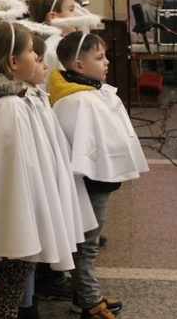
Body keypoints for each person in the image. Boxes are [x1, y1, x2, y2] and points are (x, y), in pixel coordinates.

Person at [0, 22, 78, 319]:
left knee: (15, 279)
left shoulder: (14, 98)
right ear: (13, 62)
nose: (38, 57)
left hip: (17, 212)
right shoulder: (8, 107)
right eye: (33, 52)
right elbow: (16, 176)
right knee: (12, 282)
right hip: (16, 212)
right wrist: (30, 215)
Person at [48, 31, 149, 319]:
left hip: (97, 180)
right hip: (90, 182)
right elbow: (85, 148)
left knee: (89, 241)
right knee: (87, 243)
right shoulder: (80, 100)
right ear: (78, 66)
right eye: (99, 57)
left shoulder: (89, 92)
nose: (107, 62)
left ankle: (84, 293)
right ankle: (89, 303)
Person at [17, 33, 97, 318]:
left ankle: (33, 298)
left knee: (32, 253)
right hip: (26, 194)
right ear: (13, 63)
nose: (46, 65)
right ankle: (25, 308)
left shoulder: (37, 96)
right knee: (21, 256)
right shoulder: (12, 107)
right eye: (38, 59)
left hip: (43, 186)